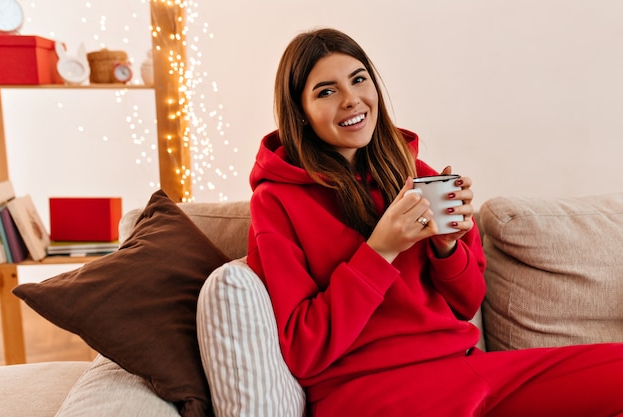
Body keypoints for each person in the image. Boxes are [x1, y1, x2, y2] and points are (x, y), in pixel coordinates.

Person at [246, 27, 623, 417]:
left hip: (466, 369)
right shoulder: (276, 203)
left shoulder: (413, 174)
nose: (351, 99)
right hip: (371, 391)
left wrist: (448, 247)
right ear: (301, 114)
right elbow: (304, 350)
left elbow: (466, 303)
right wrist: (381, 249)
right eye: (326, 91)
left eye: (359, 80)